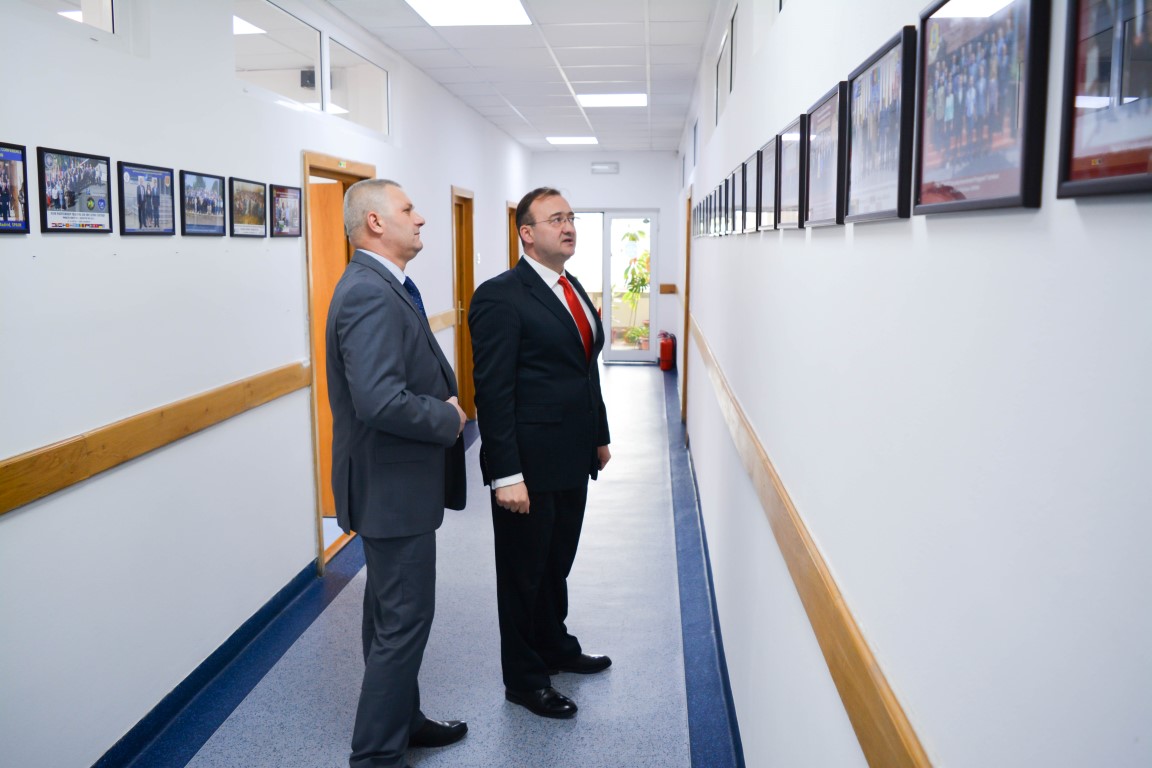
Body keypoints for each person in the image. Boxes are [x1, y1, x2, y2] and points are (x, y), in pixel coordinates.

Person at [326, 178, 469, 768]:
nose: (421, 218)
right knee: (404, 620)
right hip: (392, 489)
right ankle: (376, 755)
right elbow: (380, 400)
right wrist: (448, 417)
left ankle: (404, 722)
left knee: (389, 614)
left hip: (393, 486)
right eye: (408, 209)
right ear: (376, 223)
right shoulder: (368, 292)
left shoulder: (385, 285)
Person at [468, 186, 612, 720]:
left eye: (571, 217)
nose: (568, 226)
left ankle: (554, 646)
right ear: (526, 233)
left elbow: (584, 369)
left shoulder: (570, 286)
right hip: (527, 464)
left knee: (556, 563)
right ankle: (525, 680)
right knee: (523, 574)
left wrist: (598, 435)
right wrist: (506, 474)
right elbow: (493, 392)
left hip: (571, 456)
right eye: (556, 219)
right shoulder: (500, 296)